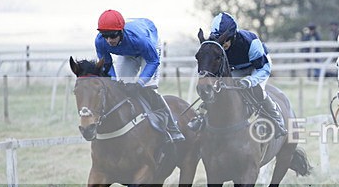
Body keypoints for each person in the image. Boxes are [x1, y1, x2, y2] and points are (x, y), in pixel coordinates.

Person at [189, 12, 287, 137]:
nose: (223, 45)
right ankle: (202, 116)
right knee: (218, 88)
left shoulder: (251, 42)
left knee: (258, 89)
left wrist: (250, 81)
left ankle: (276, 118)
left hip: (258, 66)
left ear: (233, 36)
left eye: (226, 41)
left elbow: (263, 69)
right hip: (236, 68)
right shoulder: (215, 44)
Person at [94, 9, 184, 143]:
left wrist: (139, 84)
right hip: (128, 53)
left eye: (112, 35)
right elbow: (107, 65)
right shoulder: (100, 42)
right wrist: (114, 82)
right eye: (105, 35)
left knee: (149, 89)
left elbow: (153, 61)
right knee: (120, 88)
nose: (108, 40)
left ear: (121, 31)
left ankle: (172, 127)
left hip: (149, 51)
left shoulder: (140, 39)